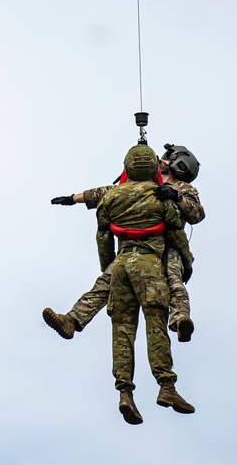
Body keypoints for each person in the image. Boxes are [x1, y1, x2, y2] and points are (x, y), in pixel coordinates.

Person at [42, 143, 203, 341]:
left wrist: (176, 196)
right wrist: (73, 198)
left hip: (168, 246)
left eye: (167, 158)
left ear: (180, 164)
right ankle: (72, 320)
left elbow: (197, 214)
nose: (161, 160)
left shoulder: (184, 189)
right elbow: (107, 192)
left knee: (173, 279)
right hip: (137, 247)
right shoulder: (145, 182)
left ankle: (180, 320)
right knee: (107, 281)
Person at [95, 144, 195, 423]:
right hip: (150, 264)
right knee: (155, 323)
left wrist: (109, 267)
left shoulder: (113, 196)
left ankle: (124, 392)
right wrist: (187, 261)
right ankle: (166, 386)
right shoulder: (161, 197)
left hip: (120, 267)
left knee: (122, 330)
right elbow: (176, 229)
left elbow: (103, 235)